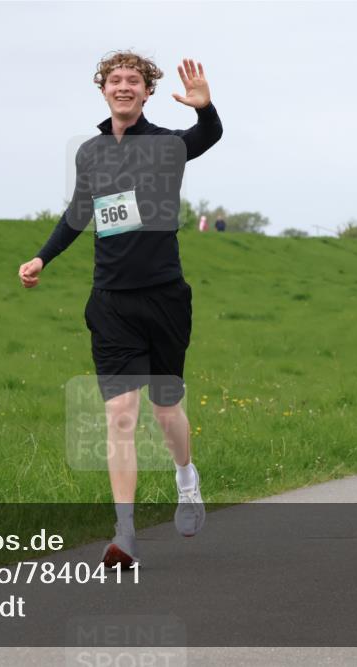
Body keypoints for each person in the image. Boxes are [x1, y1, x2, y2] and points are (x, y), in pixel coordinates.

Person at [17, 51, 223, 569]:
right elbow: (78, 212)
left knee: (165, 406)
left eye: (134, 80)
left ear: (148, 91)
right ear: (103, 89)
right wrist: (43, 256)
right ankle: (125, 532)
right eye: (115, 79)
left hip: (164, 297)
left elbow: (208, 137)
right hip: (110, 301)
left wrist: (206, 109)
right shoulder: (90, 152)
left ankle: (185, 479)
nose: (124, 86)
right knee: (120, 414)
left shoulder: (165, 145)